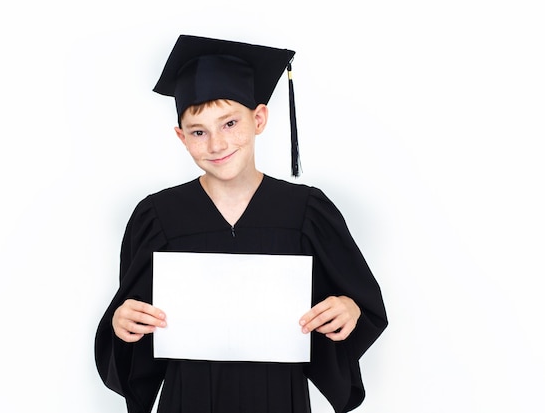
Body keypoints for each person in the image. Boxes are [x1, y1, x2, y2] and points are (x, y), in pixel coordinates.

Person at [95, 34, 388, 413]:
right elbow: (133, 324)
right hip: (187, 401)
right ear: (181, 137)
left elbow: (361, 306)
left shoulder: (307, 212)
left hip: (280, 400)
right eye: (199, 132)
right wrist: (123, 325)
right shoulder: (156, 217)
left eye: (230, 123)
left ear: (259, 119)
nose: (216, 144)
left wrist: (349, 309)